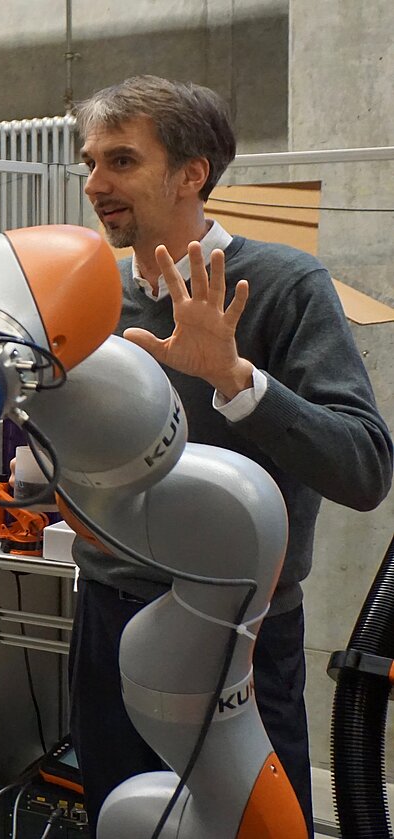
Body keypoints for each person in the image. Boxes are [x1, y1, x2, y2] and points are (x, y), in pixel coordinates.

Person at [73, 74, 393, 834]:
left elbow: (365, 467)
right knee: (120, 820)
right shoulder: (92, 300)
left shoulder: (284, 286)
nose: (94, 184)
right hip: (109, 619)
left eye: (121, 161)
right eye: (88, 162)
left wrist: (235, 377)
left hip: (239, 632)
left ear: (194, 173)